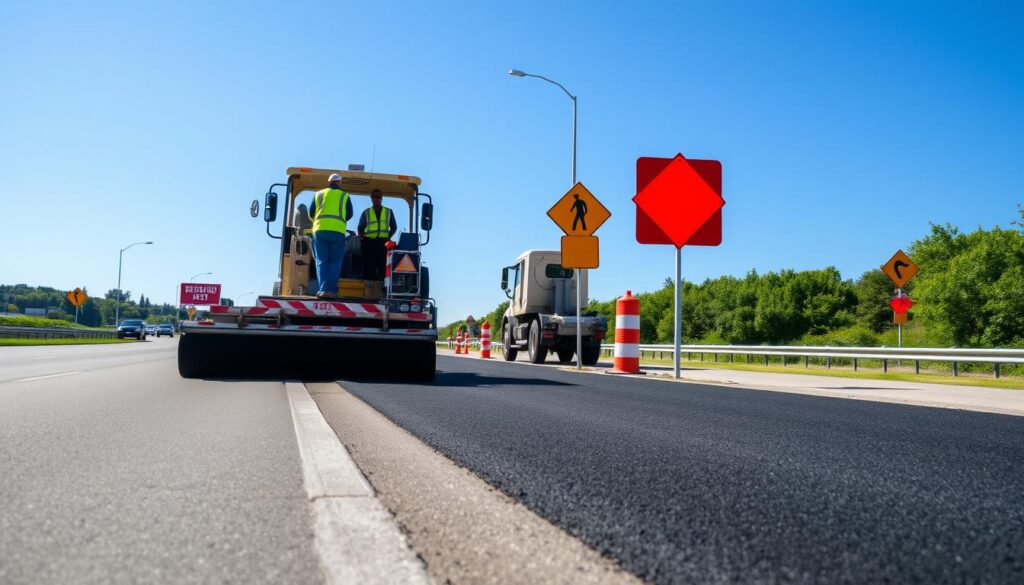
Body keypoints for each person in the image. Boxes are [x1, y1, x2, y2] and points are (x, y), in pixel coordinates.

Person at [310, 173, 353, 299]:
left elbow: (311, 213)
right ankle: (331, 291)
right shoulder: (344, 195)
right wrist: (339, 221)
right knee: (335, 261)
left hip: (320, 230)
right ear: (339, 183)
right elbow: (349, 214)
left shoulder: (319, 194)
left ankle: (323, 290)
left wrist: (319, 222)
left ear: (329, 182)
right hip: (338, 231)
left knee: (321, 260)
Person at [357, 189, 397, 280]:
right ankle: (368, 280)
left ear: (381, 198)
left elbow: (394, 226)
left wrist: (388, 237)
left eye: (379, 197)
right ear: (371, 199)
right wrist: (362, 238)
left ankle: (382, 282)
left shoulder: (388, 212)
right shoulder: (366, 212)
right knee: (368, 264)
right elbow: (360, 227)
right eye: (374, 197)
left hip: (383, 242)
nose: (377, 199)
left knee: (382, 265)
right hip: (369, 242)